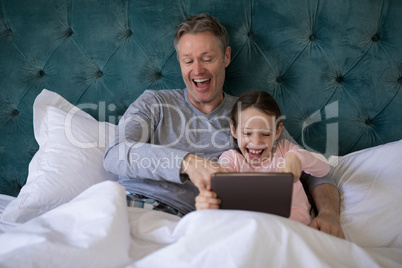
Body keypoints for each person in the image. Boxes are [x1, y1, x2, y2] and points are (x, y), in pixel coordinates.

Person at [103, 13, 345, 238]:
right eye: (188, 61)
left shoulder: (249, 114)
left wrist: (328, 214)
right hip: (128, 203)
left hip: (186, 224)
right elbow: (115, 154)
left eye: (207, 59)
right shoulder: (153, 102)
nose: (197, 70)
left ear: (226, 57)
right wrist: (188, 162)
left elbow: (309, 170)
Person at [195, 90, 331, 225]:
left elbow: (323, 169)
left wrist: (297, 158)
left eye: (265, 134)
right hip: (254, 227)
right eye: (247, 133)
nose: (256, 142)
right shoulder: (232, 159)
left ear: (277, 131)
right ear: (234, 130)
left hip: (293, 227)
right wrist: (208, 198)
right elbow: (220, 184)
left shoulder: (285, 150)